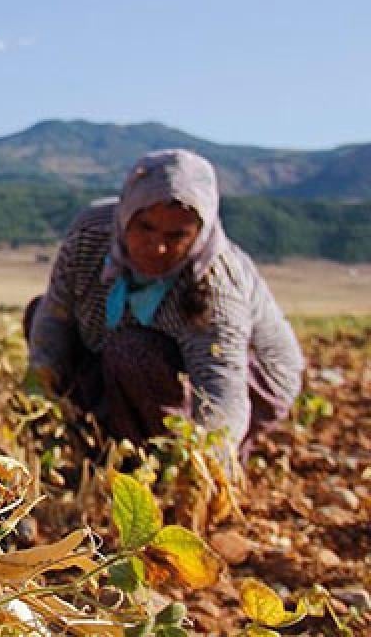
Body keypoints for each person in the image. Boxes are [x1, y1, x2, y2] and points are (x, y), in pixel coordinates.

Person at [25, 149, 304, 461]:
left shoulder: (213, 287)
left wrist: (203, 464)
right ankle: (100, 444)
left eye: (177, 235)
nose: (157, 247)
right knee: (40, 315)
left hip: (251, 378)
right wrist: (40, 397)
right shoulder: (90, 235)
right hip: (139, 356)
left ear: (200, 232)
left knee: (132, 351)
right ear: (126, 214)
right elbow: (55, 316)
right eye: (145, 227)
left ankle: (151, 462)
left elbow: (220, 391)